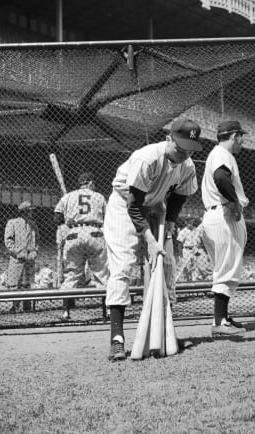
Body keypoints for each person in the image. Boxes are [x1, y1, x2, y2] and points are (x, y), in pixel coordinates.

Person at [104, 118, 202, 361]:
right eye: (179, 148)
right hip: (123, 206)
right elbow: (134, 205)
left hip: (157, 207)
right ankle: (117, 338)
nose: (184, 154)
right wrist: (149, 239)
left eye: (189, 149)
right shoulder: (146, 158)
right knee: (124, 266)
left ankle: (163, 331)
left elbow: (179, 197)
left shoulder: (187, 165)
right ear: (168, 138)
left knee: (166, 266)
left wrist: (168, 227)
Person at [200, 120, 249, 337]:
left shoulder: (219, 154)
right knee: (227, 270)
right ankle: (219, 322)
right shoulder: (222, 153)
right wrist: (234, 202)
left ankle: (223, 318)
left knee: (225, 267)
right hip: (224, 214)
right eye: (241, 137)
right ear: (235, 135)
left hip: (216, 214)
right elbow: (221, 178)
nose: (242, 141)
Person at [54, 172, 109, 320]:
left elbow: (57, 217)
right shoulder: (99, 196)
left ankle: (65, 312)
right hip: (95, 233)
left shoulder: (68, 196)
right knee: (101, 274)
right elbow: (108, 217)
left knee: (71, 275)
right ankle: (107, 312)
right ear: (90, 182)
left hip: (74, 234)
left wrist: (68, 222)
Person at [4, 201, 39, 313]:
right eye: (30, 211)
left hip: (29, 259)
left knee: (27, 283)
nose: (32, 213)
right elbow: (8, 241)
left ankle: (27, 307)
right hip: (17, 259)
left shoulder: (33, 224)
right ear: (24, 211)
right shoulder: (12, 223)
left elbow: (37, 241)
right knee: (15, 283)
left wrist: (34, 252)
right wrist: (18, 253)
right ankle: (15, 306)